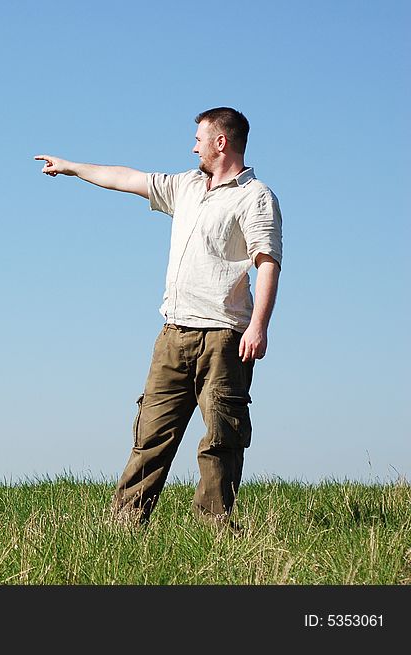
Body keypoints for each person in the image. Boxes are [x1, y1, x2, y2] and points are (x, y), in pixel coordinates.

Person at [35, 107, 282, 528]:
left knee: (222, 437)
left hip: (224, 337)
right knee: (150, 433)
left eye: (199, 138)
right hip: (173, 335)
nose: (193, 146)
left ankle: (215, 527)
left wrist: (259, 325)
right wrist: (73, 167)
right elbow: (128, 178)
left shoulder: (256, 197)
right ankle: (125, 523)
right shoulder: (186, 186)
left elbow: (268, 262)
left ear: (221, 142)